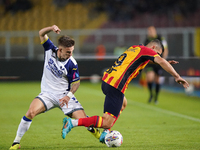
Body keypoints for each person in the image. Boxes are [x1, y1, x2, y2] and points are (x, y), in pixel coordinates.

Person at [60, 39, 189, 143]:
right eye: (158, 54)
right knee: (106, 121)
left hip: (107, 81)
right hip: (116, 85)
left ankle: (105, 133)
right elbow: (159, 60)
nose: (157, 56)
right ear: (154, 48)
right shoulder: (147, 51)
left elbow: (144, 61)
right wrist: (177, 76)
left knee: (123, 103)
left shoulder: (135, 48)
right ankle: (72, 123)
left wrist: (161, 62)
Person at [9, 25, 100, 150]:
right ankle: (16, 143)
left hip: (64, 96)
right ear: (60, 49)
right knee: (30, 112)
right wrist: (51, 28)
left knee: (83, 120)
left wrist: (68, 96)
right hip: (47, 94)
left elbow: (76, 83)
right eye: (68, 52)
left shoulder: (72, 63)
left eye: (72, 51)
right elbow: (41, 33)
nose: (70, 54)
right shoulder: (50, 49)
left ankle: (99, 135)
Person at [144, 26, 169, 104]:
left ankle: (156, 97)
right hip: (150, 62)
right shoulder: (147, 40)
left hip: (158, 62)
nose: (150, 32)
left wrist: (163, 59)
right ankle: (151, 94)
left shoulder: (160, 38)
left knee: (158, 80)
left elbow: (165, 49)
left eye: (151, 31)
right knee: (150, 77)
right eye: (149, 31)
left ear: (154, 31)